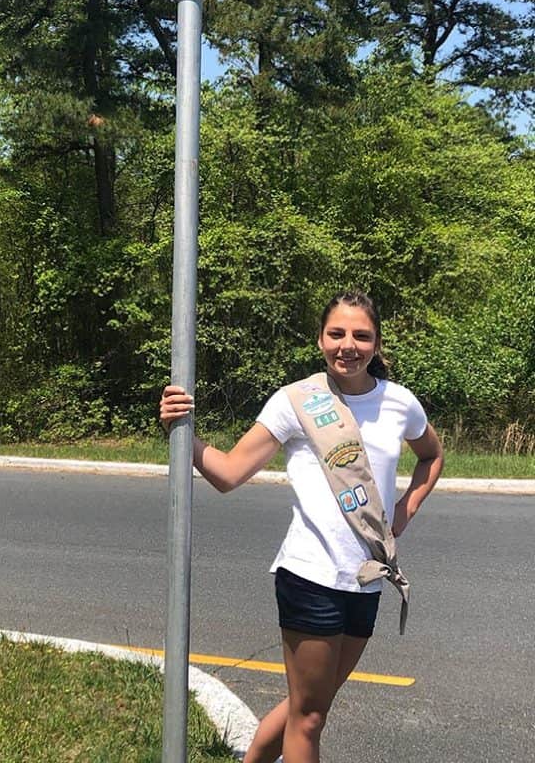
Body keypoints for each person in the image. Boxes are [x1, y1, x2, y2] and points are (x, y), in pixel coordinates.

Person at [159, 290, 444, 763]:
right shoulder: (295, 402)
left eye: (360, 335)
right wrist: (180, 431)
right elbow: (229, 473)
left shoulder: (400, 403)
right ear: (320, 339)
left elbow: (431, 456)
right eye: (336, 334)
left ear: (376, 343)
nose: (347, 345)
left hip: (369, 579)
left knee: (306, 705)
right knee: (310, 718)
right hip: (310, 576)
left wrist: (404, 511)